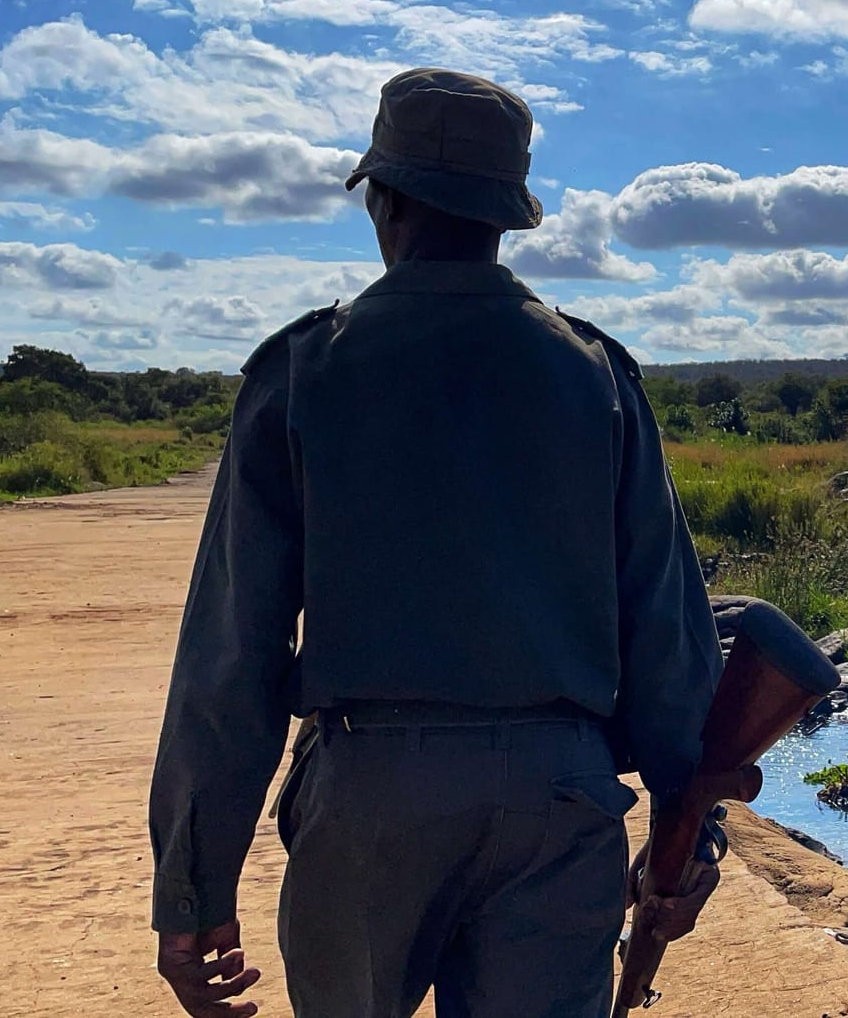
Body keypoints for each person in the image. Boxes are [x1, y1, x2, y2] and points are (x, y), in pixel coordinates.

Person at [147, 68, 723, 1018]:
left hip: (369, 793)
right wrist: (689, 829)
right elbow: (667, 623)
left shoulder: (304, 370)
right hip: (562, 793)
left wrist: (193, 888)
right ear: (507, 217)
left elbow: (232, 655)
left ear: (384, 200)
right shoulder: (598, 375)